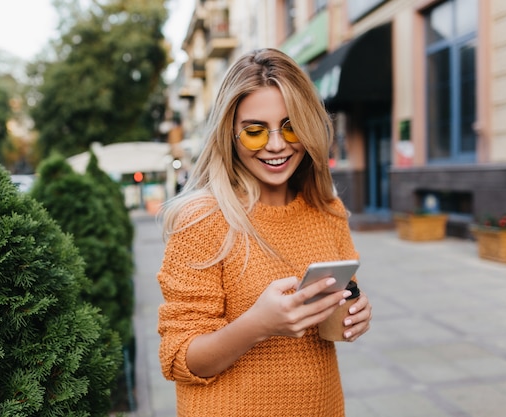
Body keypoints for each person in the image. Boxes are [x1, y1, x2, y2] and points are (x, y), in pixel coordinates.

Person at [156, 48, 372, 417]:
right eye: (254, 132)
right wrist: (258, 325)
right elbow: (178, 358)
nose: (276, 145)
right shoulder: (202, 220)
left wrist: (355, 312)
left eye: (291, 127)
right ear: (230, 134)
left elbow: (340, 297)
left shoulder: (327, 210)